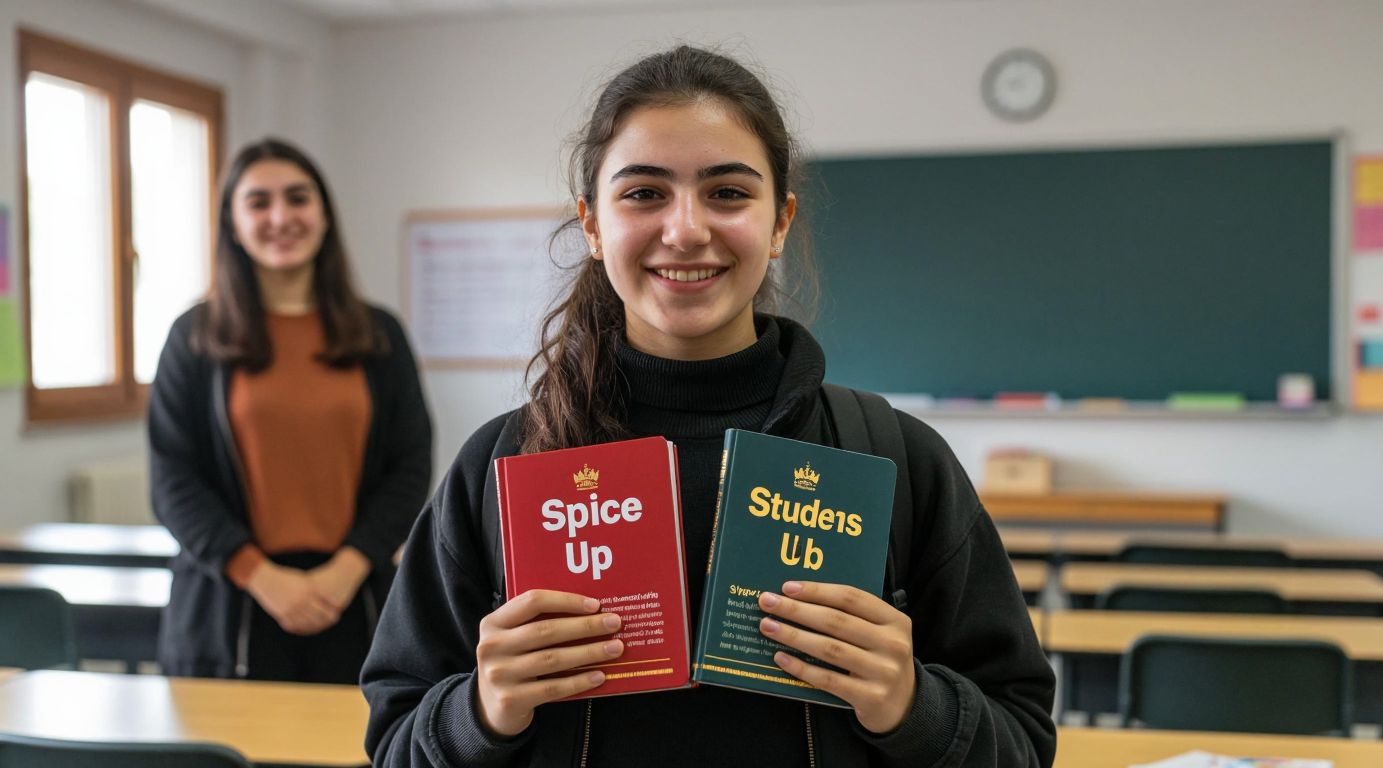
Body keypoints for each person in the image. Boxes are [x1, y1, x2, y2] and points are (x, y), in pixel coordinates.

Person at [361, 46, 1055, 766]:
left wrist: (914, 705)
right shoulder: (502, 468)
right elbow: (396, 742)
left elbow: (1024, 742)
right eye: (643, 194)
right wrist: (480, 712)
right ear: (592, 224)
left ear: (780, 221)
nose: (686, 229)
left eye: (727, 192)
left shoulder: (892, 458)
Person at [148, 138, 432, 683]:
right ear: (232, 223)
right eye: (258, 202)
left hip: (353, 596)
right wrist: (261, 577)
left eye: (298, 198)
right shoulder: (194, 337)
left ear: (324, 215)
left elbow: (410, 464)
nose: (281, 216)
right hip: (231, 604)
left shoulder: (379, 334)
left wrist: (345, 571)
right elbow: (172, 480)